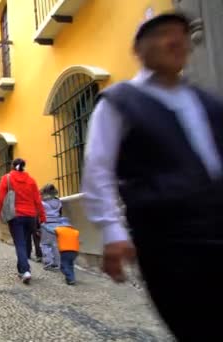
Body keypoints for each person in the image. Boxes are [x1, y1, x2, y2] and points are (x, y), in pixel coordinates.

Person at [82, 11, 223, 341]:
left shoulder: (206, 101)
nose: (175, 41)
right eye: (163, 35)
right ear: (140, 49)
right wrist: (112, 231)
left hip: (217, 224)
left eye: (181, 34)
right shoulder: (119, 102)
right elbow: (97, 167)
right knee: (195, 325)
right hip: (168, 237)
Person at [0, 158, 46, 284]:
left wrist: (1, 214)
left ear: (13, 166)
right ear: (24, 167)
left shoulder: (6, 179)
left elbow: (1, 199)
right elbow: (37, 200)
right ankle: (21, 269)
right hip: (31, 216)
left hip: (15, 216)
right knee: (24, 242)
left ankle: (25, 270)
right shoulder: (31, 180)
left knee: (20, 244)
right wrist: (42, 216)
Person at [40, 184, 63, 270]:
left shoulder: (42, 203)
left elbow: (40, 214)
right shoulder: (58, 202)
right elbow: (61, 213)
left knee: (45, 244)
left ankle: (48, 262)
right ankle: (58, 263)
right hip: (57, 223)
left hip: (46, 224)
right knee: (55, 244)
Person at [54, 218, 80, 285]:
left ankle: (71, 278)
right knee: (70, 265)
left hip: (65, 250)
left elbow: (51, 230)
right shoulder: (75, 231)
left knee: (63, 266)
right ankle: (71, 279)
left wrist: (43, 226)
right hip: (75, 251)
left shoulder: (59, 230)